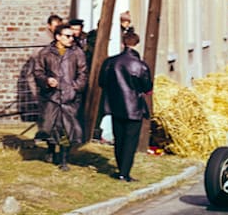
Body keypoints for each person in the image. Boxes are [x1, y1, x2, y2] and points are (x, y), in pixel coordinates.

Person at [99, 31, 153, 182]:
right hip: (134, 106)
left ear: (123, 43)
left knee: (119, 138)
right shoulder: (140, 65)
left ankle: (120, 168)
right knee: (130, 141)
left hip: (115, 105)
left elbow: (102, 82)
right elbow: (147, 87)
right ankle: (124, 172)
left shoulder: (110, 62)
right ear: (137, 44)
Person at [32, 24, 87, 170]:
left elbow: (82, 73)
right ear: (58, 37)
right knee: (50, 127)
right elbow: (38, 72)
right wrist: (46, 80)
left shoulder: (77, 53)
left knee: (66, 129)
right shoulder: (45, 53)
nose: (71, 39)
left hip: (70, 98)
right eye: (67, 36)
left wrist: (75, 88)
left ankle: (63, 159)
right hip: (51, 97)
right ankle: (51, 150)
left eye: (72, 36)